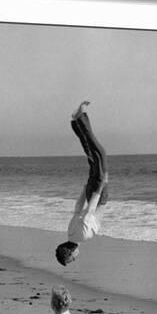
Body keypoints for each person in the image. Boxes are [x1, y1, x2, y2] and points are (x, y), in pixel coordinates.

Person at [55, 101, 108, 266]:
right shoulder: (70, 233)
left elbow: (89, 212)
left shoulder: (82, 237)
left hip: (98, 196)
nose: (75, 258)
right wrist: (85, 189)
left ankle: (80, 118)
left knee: (100, 153)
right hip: (90, 192)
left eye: (71, 258)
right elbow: (78, 209)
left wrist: (100, 187)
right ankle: (76, 123)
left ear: (70, 252)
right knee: (92, 155)